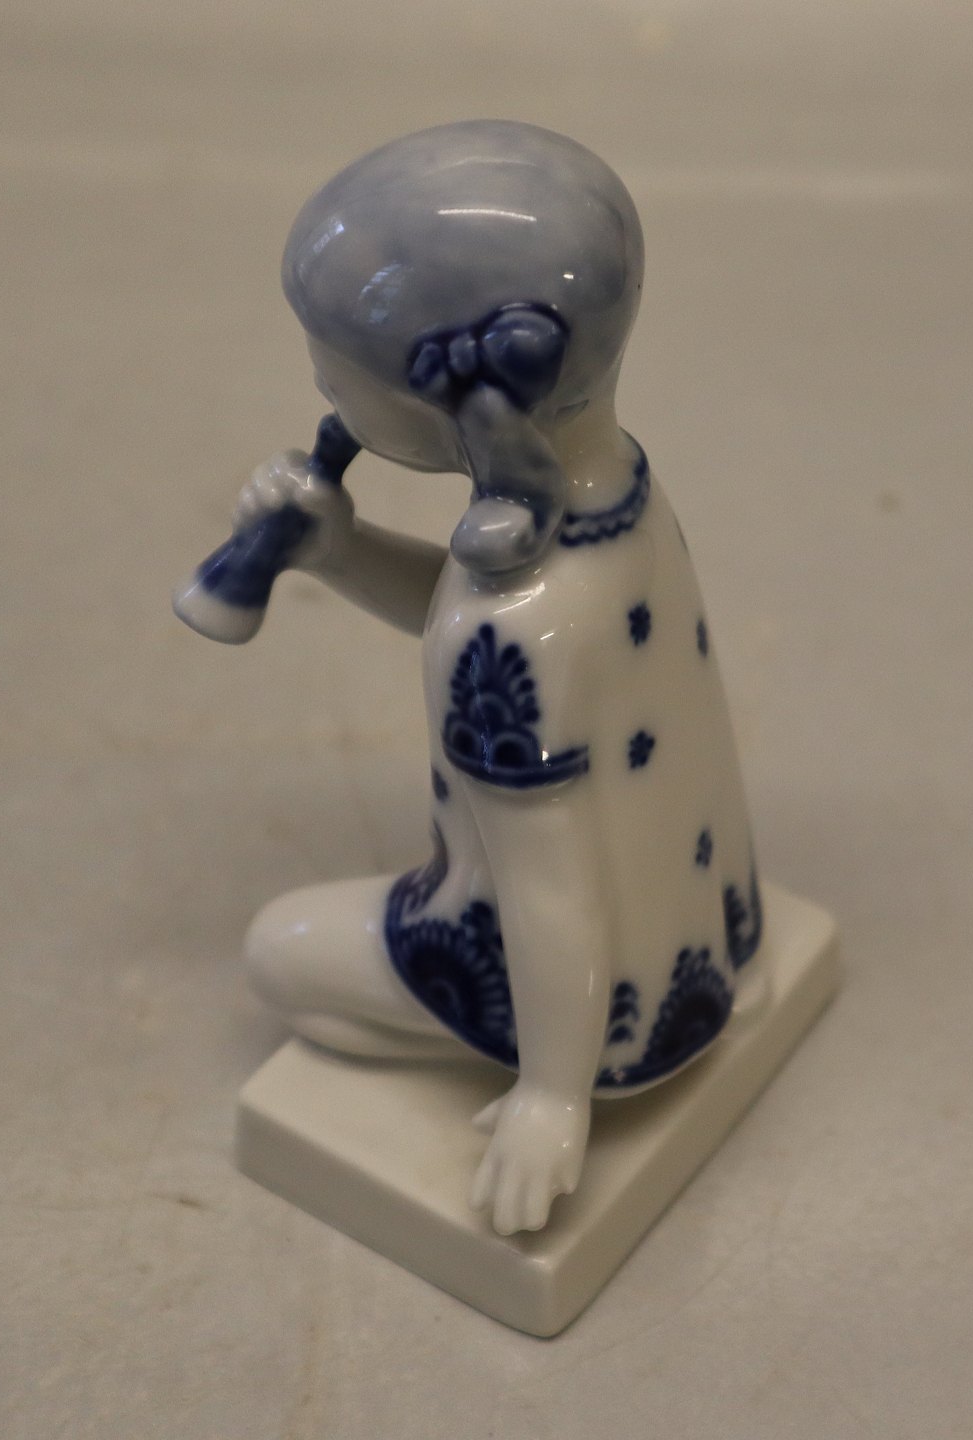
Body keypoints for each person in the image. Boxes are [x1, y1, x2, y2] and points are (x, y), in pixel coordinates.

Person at [238, 121, 764, 1235]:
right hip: (701, 945)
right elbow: (462, 617)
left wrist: (551, 1096)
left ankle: (520, 1049)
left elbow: (547, 885)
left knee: (278, 955)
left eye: (329, 365)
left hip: (590, 1010)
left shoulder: (506, 625)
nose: (318, 383)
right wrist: (337, 551)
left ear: (442, 407)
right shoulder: (619, 492)